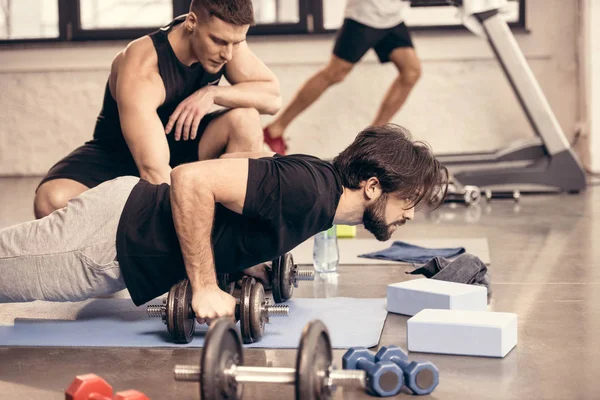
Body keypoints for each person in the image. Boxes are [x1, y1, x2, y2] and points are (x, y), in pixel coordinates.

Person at [0, 124, 448, 325]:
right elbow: (190, 179)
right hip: (111, 238)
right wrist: (204, 286)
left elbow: (238, 204)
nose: (408, 214)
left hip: (124, 233)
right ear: (373, 186)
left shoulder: (321, 196)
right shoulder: (309, 190)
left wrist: (248, 261)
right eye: (407, 200)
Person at [33, 0, 282, 218]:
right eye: (219, 41)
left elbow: (272, 98)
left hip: (182, 142)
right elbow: (154, 171)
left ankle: (236, 240)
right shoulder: (143, 66)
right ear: (192, 22)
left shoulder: (226, 44)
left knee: (245, 118)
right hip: (119, 154)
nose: (227, 54)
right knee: (51, 200)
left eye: (236, 43)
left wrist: (213, 93)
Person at [263, 0, 420, 154]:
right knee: (335, 72)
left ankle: (372, 140)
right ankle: (275, 130)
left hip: (390, 17)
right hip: (365, 14)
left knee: (411, 72)